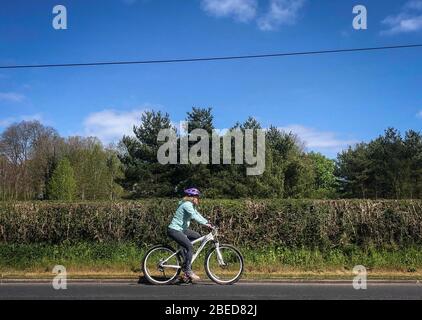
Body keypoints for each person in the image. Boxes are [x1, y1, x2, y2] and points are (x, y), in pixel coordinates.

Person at [167, 187, 212, 281]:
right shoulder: (187, 205)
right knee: (190, 247)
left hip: (181, 230)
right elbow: (194, 216)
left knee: (197, 236)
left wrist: (207, 222)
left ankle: (183, 253)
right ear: (192, 197)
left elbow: (197, 214)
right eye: (197, 197)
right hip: (175, 230)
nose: (198, 199)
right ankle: (188, 270)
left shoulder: (191, 205)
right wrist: (206, 224)